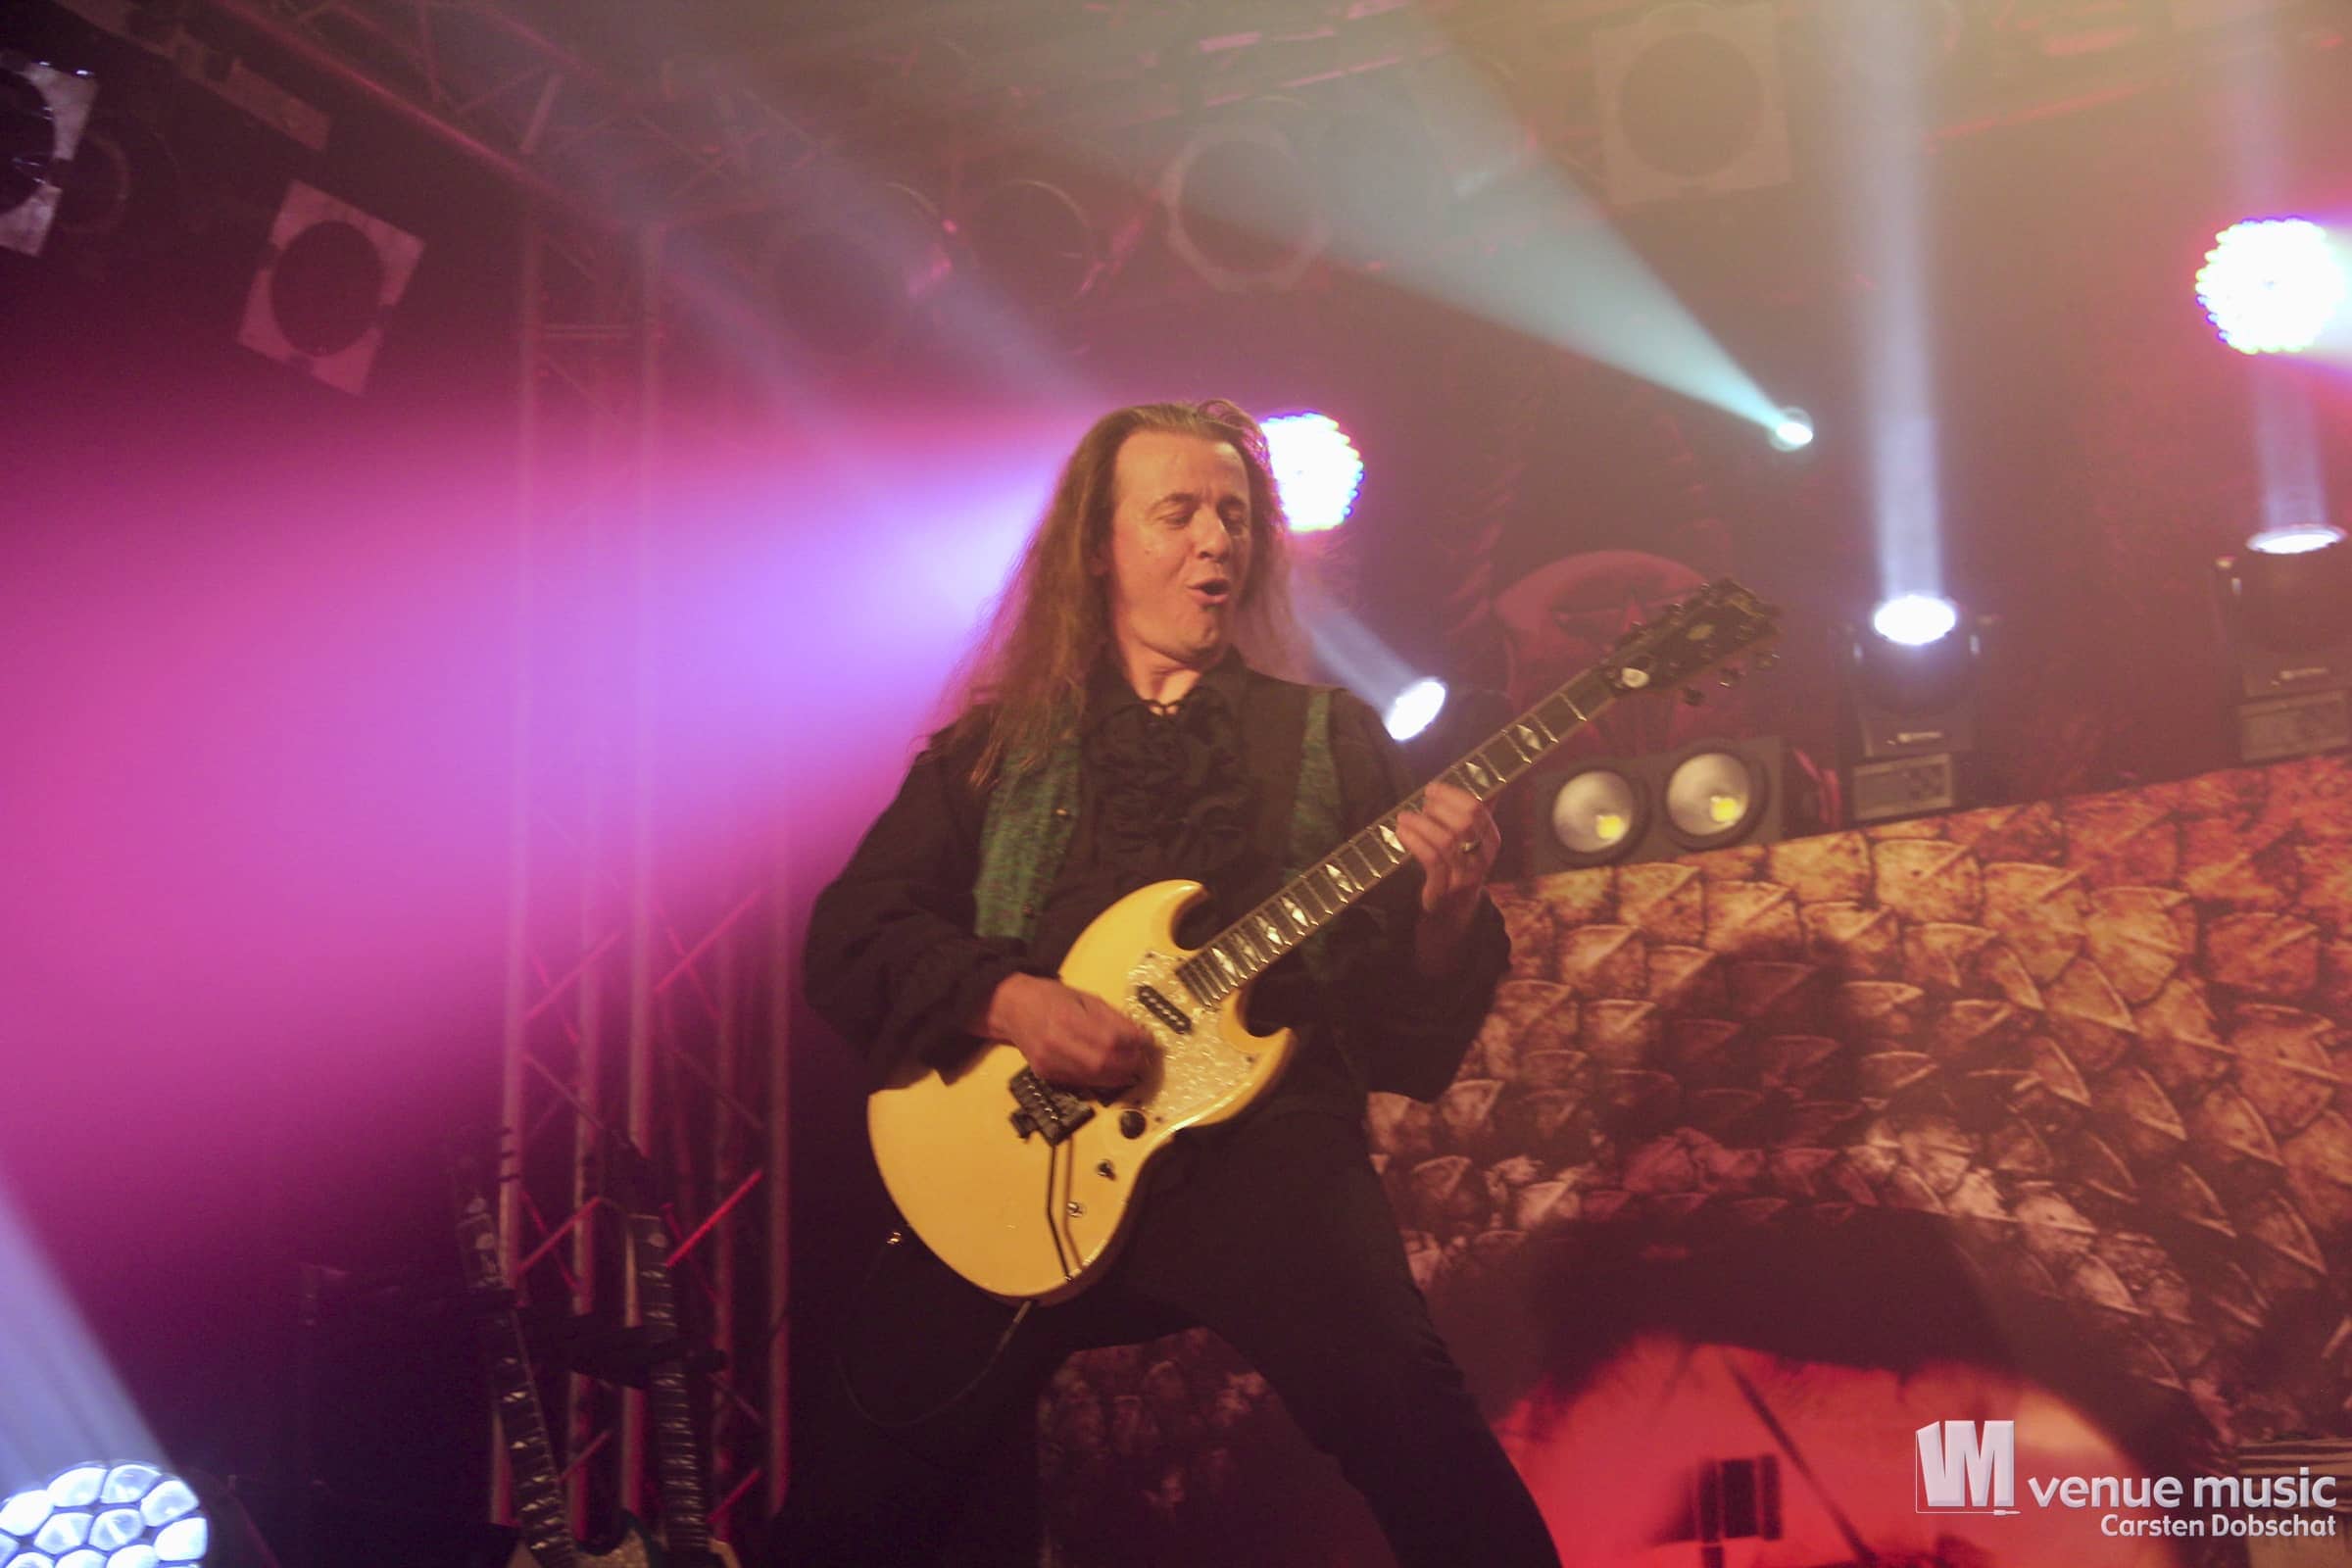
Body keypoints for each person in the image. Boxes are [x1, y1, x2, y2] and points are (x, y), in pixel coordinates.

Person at [764, 399, 1564, 1568]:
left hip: (1260, 1149)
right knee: (855, 1498)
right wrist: (1013, 1002)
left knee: (1407, 1406)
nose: (1215, 541)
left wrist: (1444, 918)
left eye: (1233, 516)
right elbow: (850, 935)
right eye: (1178, 512)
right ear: (1099, 547)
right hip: (1009, 1144)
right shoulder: (994, 751)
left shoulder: (1327, 737)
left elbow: (1399, 1030)